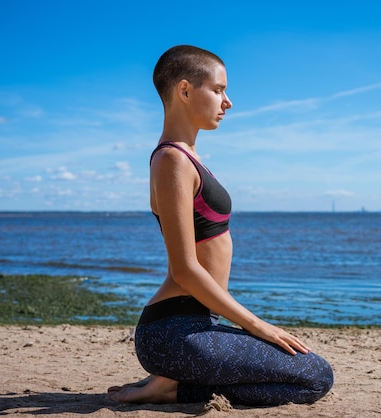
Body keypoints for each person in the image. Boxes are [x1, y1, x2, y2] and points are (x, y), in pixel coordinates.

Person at [106, 45, 333, 406]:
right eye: (218, 89)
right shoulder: (171, 160)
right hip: (172, 331)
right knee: (316, 376)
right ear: (184, 90)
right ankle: (175, 386)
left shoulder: (188, 157)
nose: (227, 102)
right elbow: (184, 270)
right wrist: (258, 326)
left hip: (195, 326)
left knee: (309, 372)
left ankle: (171, 384)